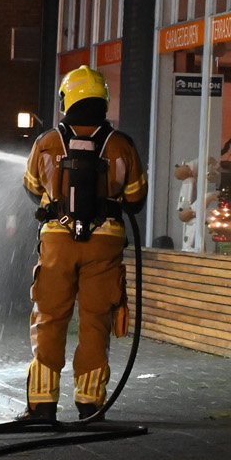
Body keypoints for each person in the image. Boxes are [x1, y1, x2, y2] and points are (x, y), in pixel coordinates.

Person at [23, 65, 148, 421]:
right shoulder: (121, 145)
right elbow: (136, 197)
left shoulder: (47, 143)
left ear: (68, 99)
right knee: (96, 320)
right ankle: (90, 404)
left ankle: (42, 404)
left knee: (49, 317)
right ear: (102, 100)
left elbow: (32, 188)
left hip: (57, 244)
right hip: (105, 244)